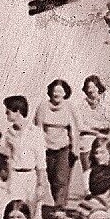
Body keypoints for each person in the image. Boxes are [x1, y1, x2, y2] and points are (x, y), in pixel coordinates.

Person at [34, 79, 81, 211]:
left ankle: (59, 208)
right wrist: (38, 149)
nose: (57, 93)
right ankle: (59, 202)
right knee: (52, 179)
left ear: (65, 93)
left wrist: (75, 149)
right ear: (50, 92)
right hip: (47, 149)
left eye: (60, 91)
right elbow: (38, 128)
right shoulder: (43, 106)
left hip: (63, 148)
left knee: (61, 178)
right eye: (55, 91)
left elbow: (74, 129)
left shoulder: (69, 107)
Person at [3, 95, 45, 213]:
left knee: (34, 211)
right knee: (16, 209)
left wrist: (40, 184)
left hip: (31, 177)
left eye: (8, 111)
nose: (6, 113)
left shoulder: (35, 132)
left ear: (17, 111)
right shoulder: (8, 133)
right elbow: (8, 158)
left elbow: (41, 162)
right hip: (14, 176)